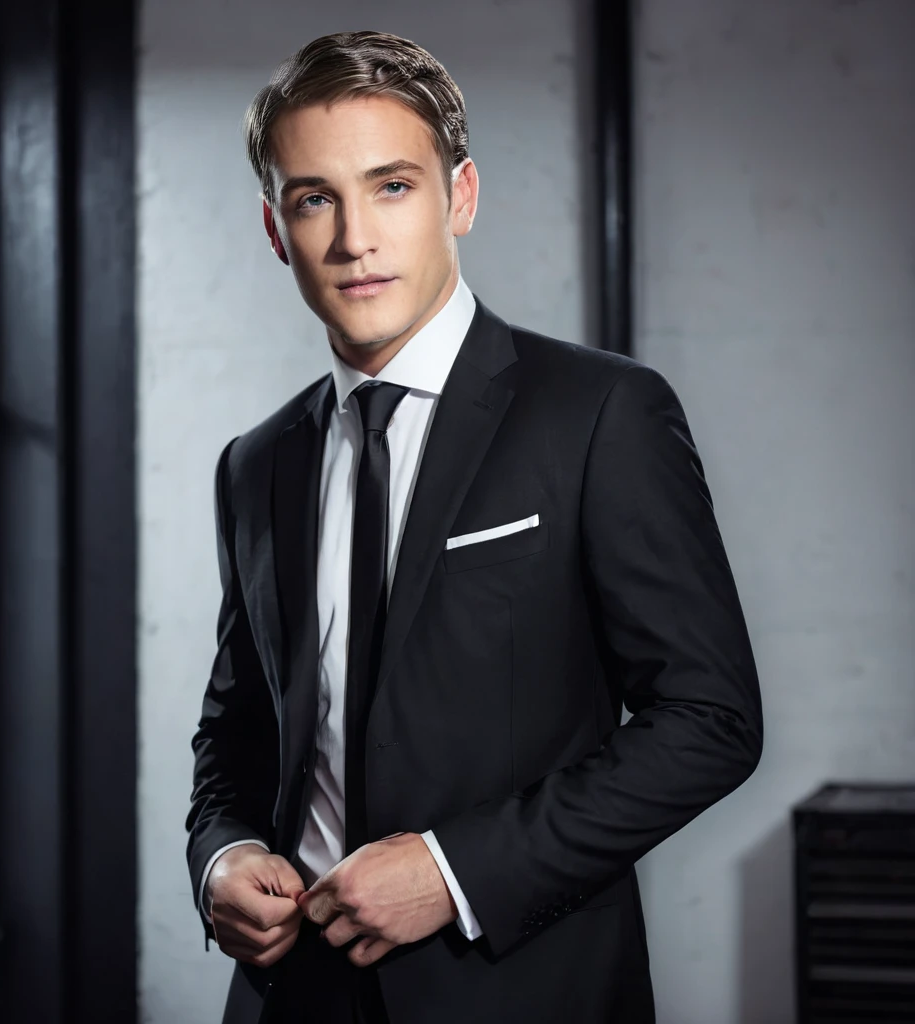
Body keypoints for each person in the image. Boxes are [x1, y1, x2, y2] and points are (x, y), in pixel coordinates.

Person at [185, 29, 763, 1024]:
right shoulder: (257, 461)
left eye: (392, 187)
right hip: (293, 999)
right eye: (313, 197)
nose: (352, 237)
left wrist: (452, 871)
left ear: (460, 196)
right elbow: (236, 732)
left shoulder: (597, 413)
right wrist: (221, 856)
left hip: (520, 987)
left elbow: (708, 720)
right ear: (276, 229)